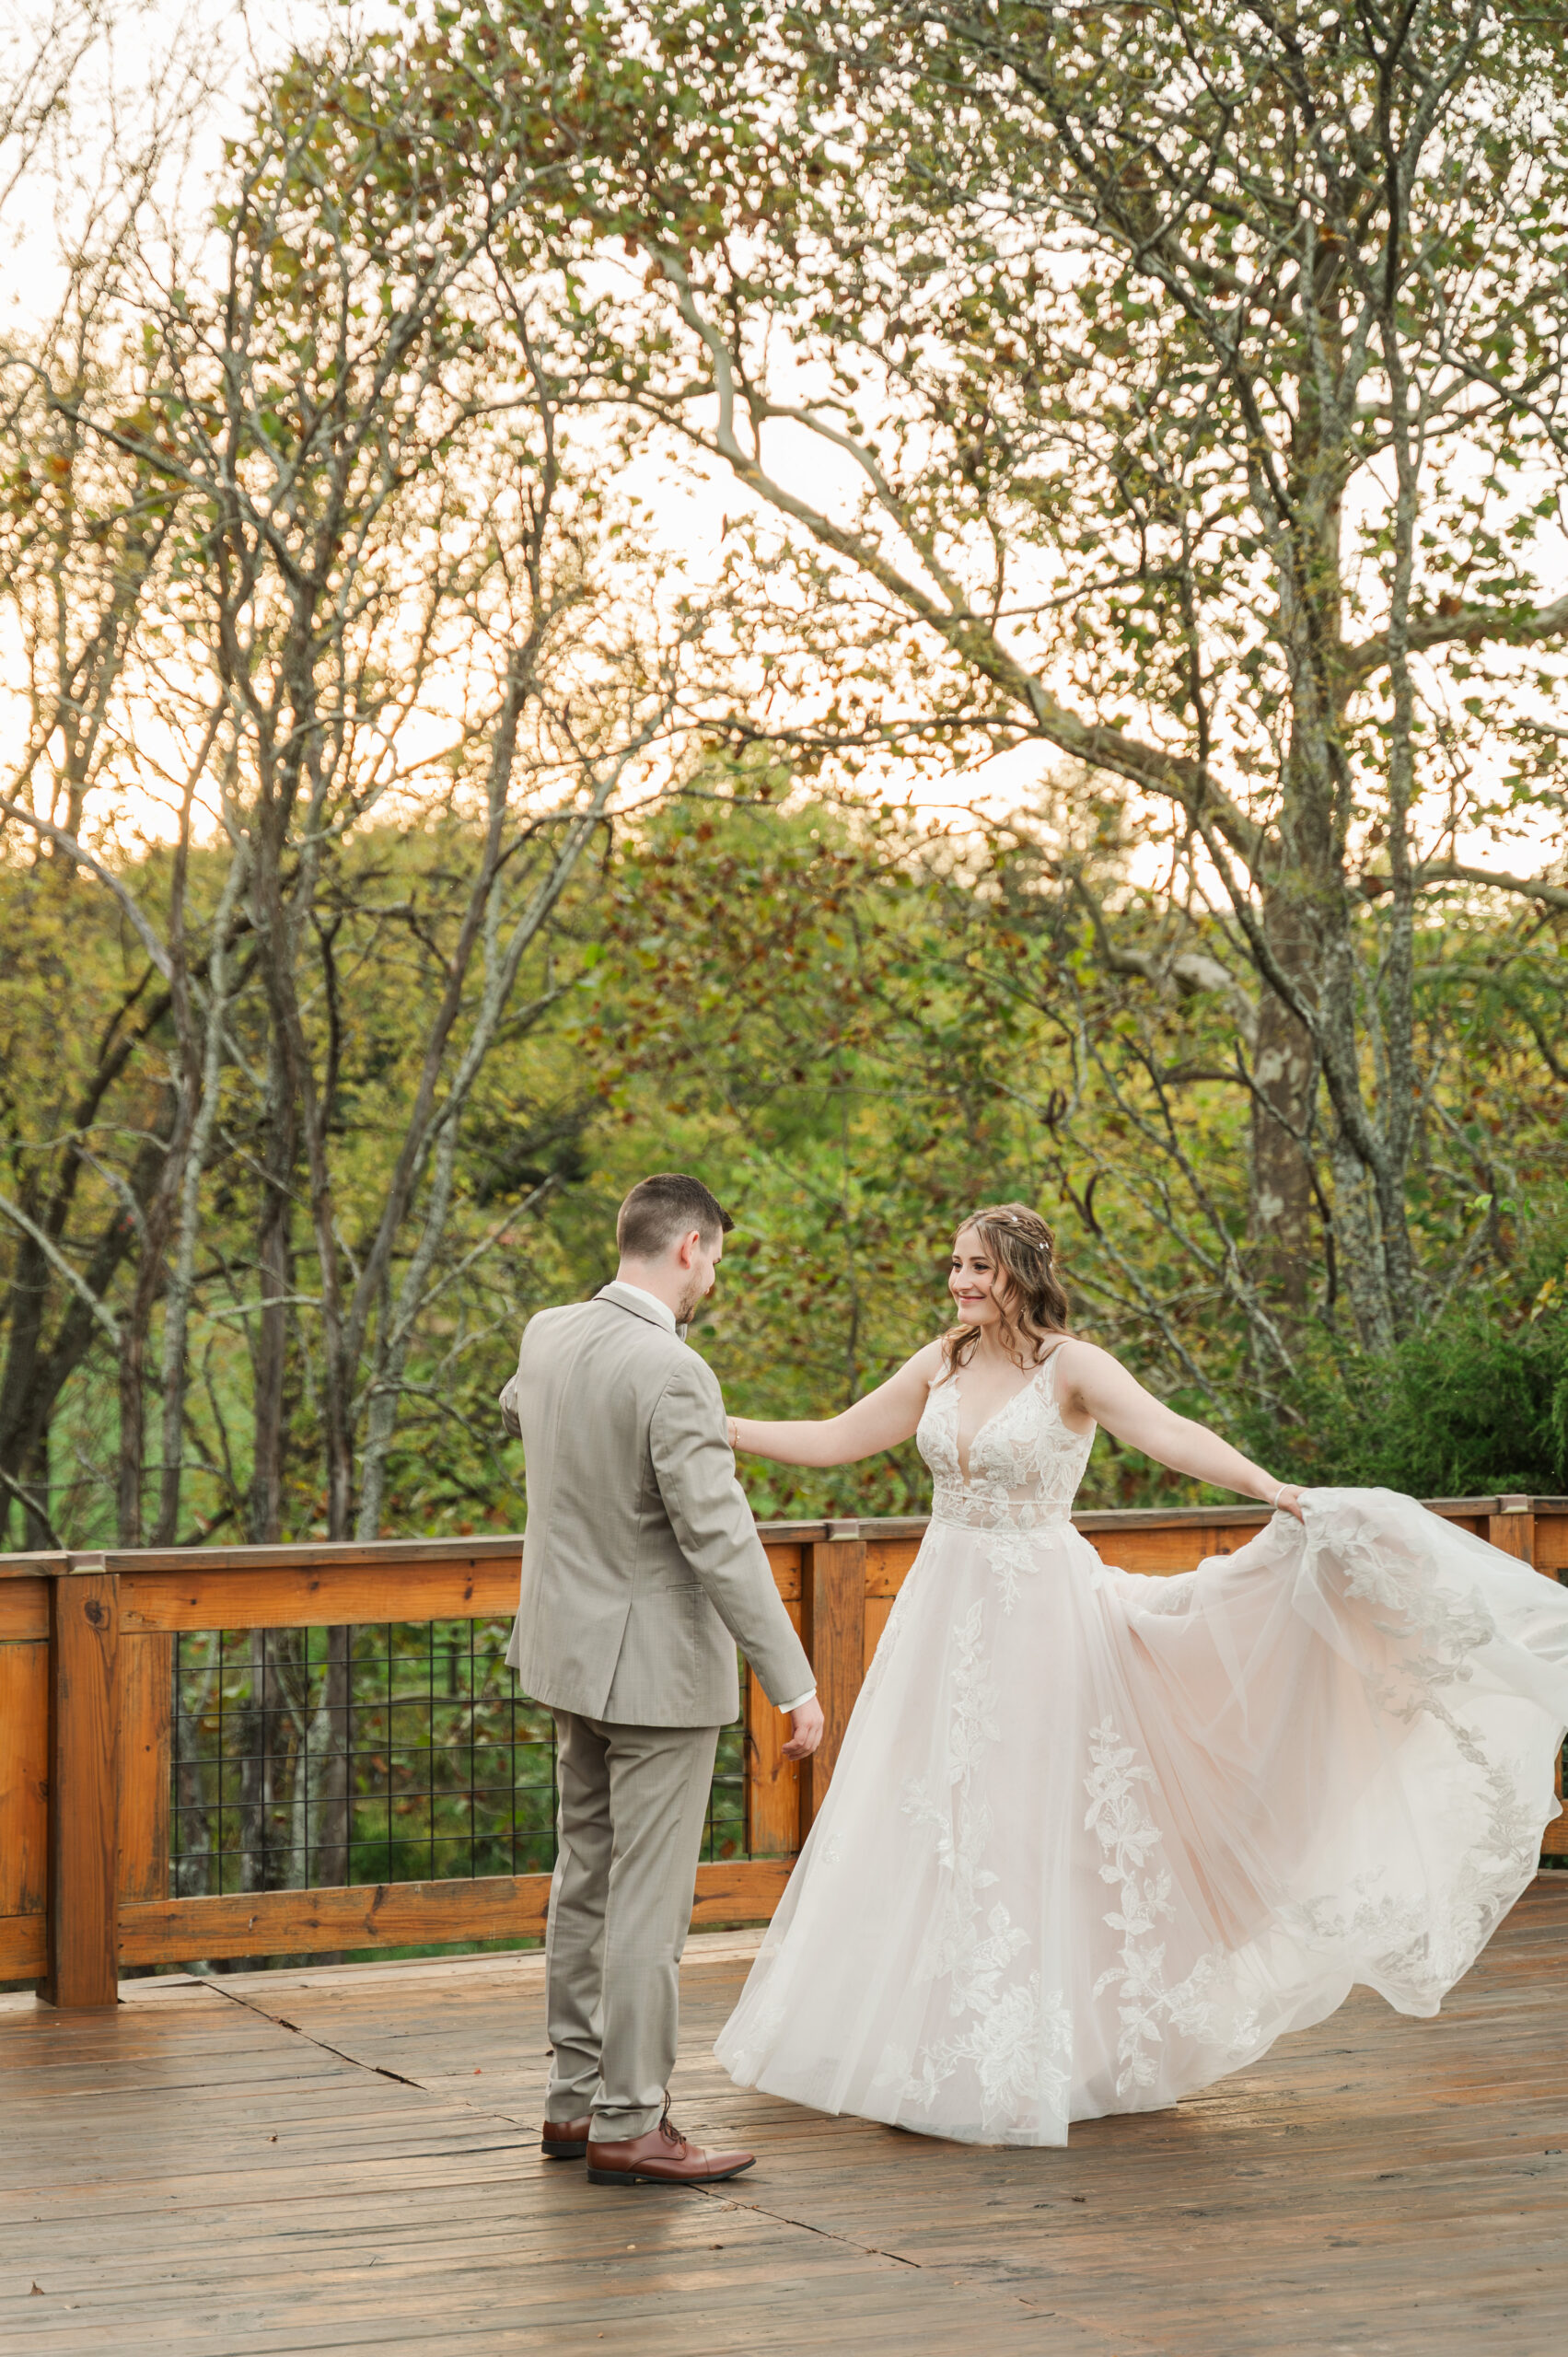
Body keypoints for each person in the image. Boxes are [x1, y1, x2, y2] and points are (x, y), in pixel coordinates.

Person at [714, 1202, 1568, 2146]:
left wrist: (1270, 1489)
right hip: (942, 1614)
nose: (959, 1282)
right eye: (954, 1264)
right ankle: (934, 2040)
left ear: (1023, 1274)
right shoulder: (943, 1359)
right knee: (939, 1814)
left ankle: (1052, 2048)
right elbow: (840, 1436)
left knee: (1033, 1820)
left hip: (1040, 1611)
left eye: (979, 1268)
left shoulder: (1071, 1367)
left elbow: (1168, 1434)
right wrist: (723, 1427)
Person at [501, 1173, 824, 2187]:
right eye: (717, 1257)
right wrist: (793, 1678)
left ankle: (572, 2103)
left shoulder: (547, 1334)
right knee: (647, 1903)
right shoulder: (673, 1371)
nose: (713, 1277)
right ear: (688, 1247)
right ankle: (632, 2119)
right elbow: (720, 1537)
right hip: (656, 1677)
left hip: (566, 1656)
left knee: (583, 1882)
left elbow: (528, 1419)